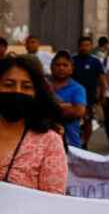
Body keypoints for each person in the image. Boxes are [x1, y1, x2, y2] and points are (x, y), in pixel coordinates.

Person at [0, 56, 68, 193]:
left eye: (26, 87)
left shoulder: (49, 141)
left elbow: (53, 202)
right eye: (8, 84)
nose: (17, 91)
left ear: (36, 93)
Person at [73, 36, 106, 148]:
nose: (84, 48)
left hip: (90, 98)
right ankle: (74, 142)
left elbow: (102, 80)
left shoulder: (95, 62)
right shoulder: (73, 60)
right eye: (82, 45)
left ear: (91, 46)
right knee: (74, 121)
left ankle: (85, 143)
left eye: (87, 45)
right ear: (78, 47)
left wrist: (102, 94)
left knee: (88, 121)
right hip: (74, 98)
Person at [49, 51, 86, 147]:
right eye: (58, 65)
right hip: (45, 144)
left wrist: (49, 107)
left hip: (71, 143)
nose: (61, 68)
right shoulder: (43, 85)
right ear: (51, 67)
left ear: (71, 69)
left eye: (65, 65)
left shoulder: (78, 89)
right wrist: (66, 106)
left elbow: (79, 111)